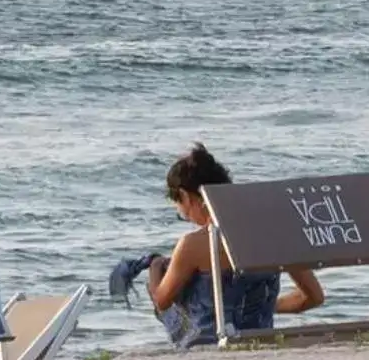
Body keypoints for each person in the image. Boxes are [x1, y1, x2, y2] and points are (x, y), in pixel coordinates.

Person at [123, 143, 324, 348]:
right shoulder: (275, 234)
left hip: (208, 344)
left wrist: (155, 266)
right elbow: (313, 297)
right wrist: (263, 307)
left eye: (180, 208)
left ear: (185, 196)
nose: (186, 216)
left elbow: (161, 302)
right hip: (262, 340)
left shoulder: (192, 245)